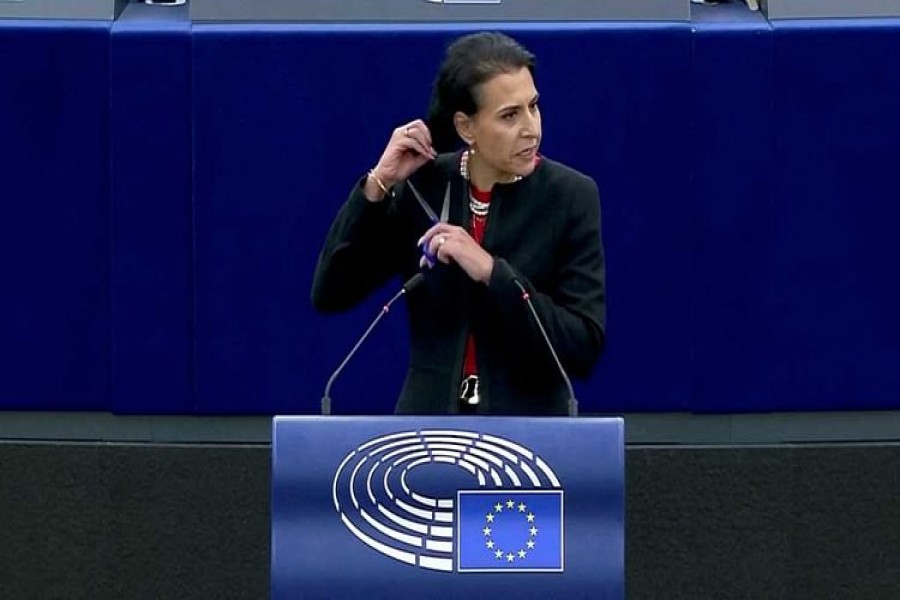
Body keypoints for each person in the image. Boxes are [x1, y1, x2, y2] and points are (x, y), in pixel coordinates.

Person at [311, 32, 605, 415]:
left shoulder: (570, 196)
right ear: (466, 128)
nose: (531, 128)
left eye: (533, 106)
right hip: (427, 429)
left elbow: (582, 348)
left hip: (529, 434)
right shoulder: (424, 187)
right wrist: (378, 184)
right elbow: (331, 293)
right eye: (510, 115)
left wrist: (491, 271)